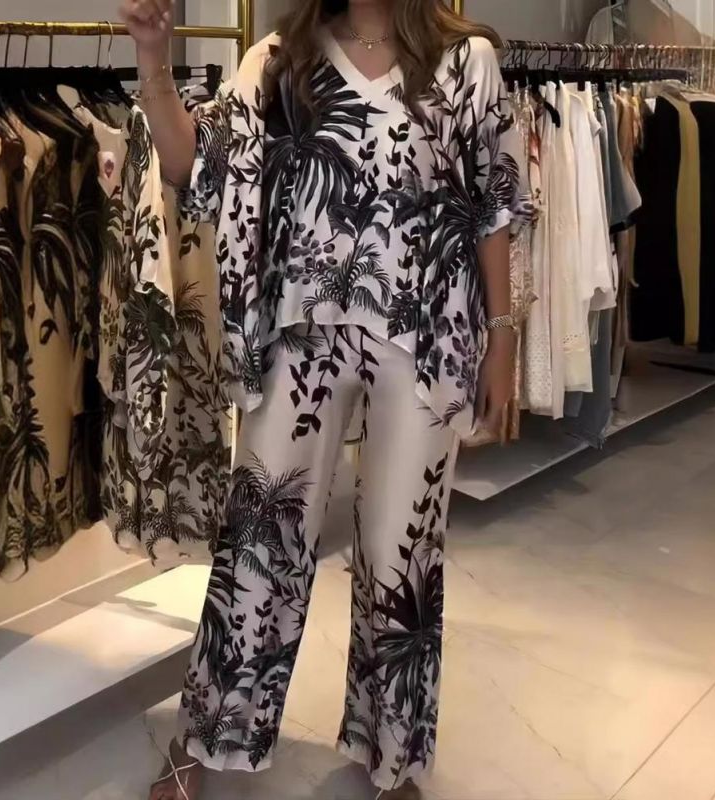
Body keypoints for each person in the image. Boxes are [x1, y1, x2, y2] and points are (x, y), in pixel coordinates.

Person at [118, 1, 529, 798]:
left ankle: (394, 756)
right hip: (298, 335)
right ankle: (206, 738)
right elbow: (193, 164)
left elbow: (494, 207)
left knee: (402, 553)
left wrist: (503, 336)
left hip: (425, 337)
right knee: (259, 540)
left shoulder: (466, 62)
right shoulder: (281, 61)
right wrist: (154, 59)